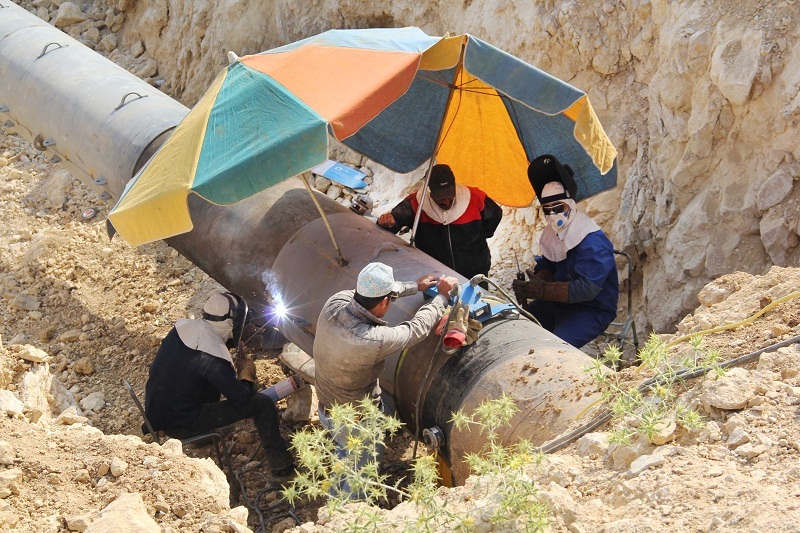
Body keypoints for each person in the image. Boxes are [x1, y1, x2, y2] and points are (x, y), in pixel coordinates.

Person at [313, 262, 458, 497]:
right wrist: (441, 297)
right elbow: (416, 330)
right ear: (384, 302)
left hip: (327, 409)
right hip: (357, 422)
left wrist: (413, 287)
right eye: (389, 299)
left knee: (345, 453)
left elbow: (370, 295)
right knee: (360, 477)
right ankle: (350, 514)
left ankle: (340, 488)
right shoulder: (370, 339)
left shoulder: (336, 302)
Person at [144, 292, 294, 477]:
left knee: (209, 384)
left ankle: (202, 435)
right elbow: (241, 397)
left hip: (159, 411)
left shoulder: (185, 327)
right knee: (261, 404)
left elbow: (201, 365)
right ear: (232, 324)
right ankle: (283, 470)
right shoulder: (212, 355)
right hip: (180, 423)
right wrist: (246, 373)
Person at [512, 154, 619, 349]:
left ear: (569, 204)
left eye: (558, 207)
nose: (552, 214)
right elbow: (549, 262)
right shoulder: (555, 233)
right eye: (547, 209)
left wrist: (541, 290)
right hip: (556, 303)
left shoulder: (592, 241)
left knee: (554, 348)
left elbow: (586, 290)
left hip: (591, 309)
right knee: (518, 327)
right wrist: (538, 278)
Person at [377, 164, 503, 280]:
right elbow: (393, 223)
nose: (446, 202)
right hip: (433, 271)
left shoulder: (476, 197)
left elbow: (494, 217)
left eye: (449, 196)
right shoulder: (416, 202)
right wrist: (387, 222)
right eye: (440, 198)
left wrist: (477, 238)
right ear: (429, 192)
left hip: (475, 269)